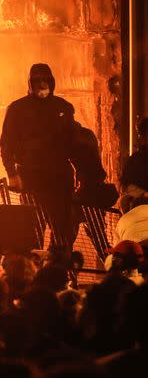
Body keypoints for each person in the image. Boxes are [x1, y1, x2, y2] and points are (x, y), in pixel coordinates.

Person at [0, 63, 77, 255]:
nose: (42, 84)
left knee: (62, 228)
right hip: (31, 176)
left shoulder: (64, 108)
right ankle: (33, 273)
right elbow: (6, 144)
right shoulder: (18, 109)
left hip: (59, 176)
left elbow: (74, 144)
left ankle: (59, 271)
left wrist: (81, 174)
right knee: (33, 227)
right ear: (30, 83)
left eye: (45, 80)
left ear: (52, 82)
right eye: (37, 81)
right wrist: (12, 173)